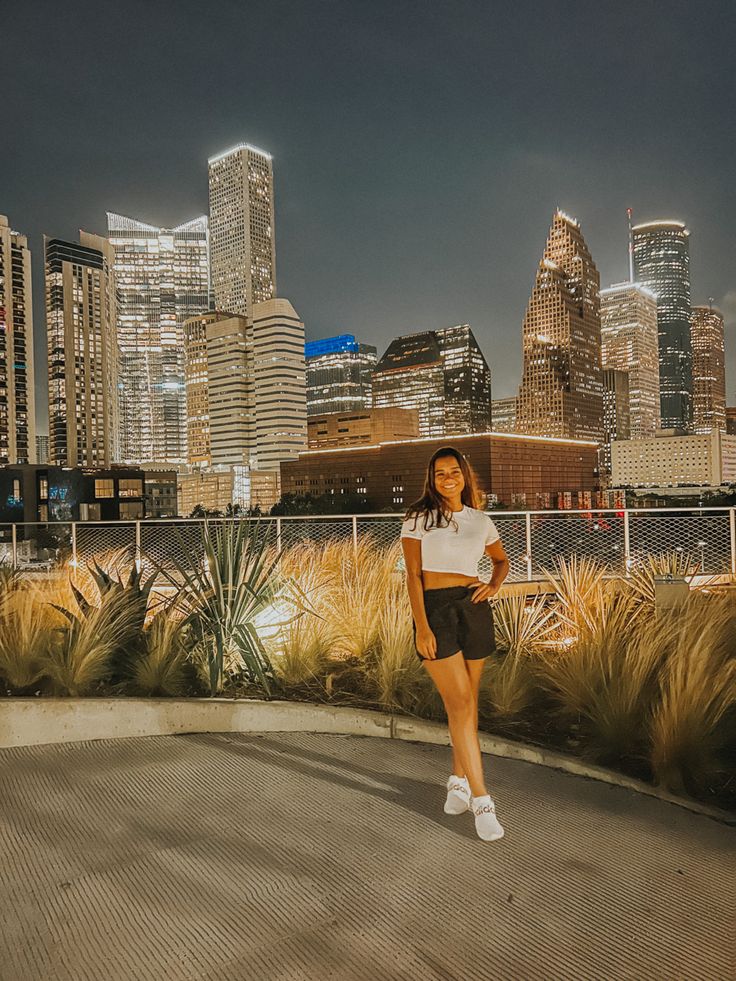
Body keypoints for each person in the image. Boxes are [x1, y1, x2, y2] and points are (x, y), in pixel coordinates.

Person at [400, 446, 510, 841]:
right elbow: (413, 576)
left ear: (465, 475)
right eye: (440, 473)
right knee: (460, 703)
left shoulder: (480, 520)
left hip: (473, 608)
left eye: (454, 472)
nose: (448, 478)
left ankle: (458, 782)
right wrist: (422, 626)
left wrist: (494, 585)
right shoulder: (418, 517)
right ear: (431, 479)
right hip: (435, 611)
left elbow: (501, 560)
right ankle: (483, 802)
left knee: (466, 704)